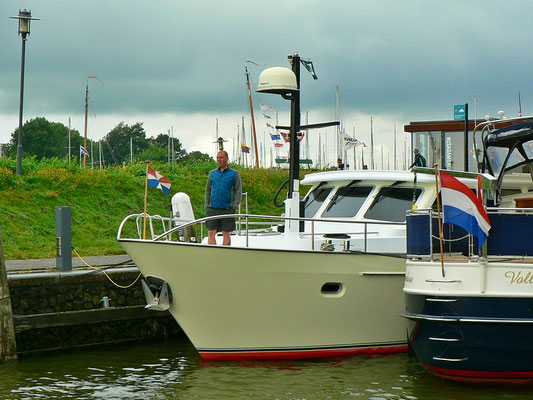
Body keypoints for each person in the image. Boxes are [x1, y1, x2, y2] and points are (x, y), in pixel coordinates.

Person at [205, 151, 242, 245]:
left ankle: (225, 254)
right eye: (217, 158)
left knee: (226, 233)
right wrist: (207, 205)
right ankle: (212, 253)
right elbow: (208, 190)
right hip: (212, 208)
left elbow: (238, 190)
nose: (219, 160)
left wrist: (234, 206)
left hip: (227, 208)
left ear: (227, 158)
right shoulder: (212, 173)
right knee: (211, 232)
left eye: (221, 157)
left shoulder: (234, 174)